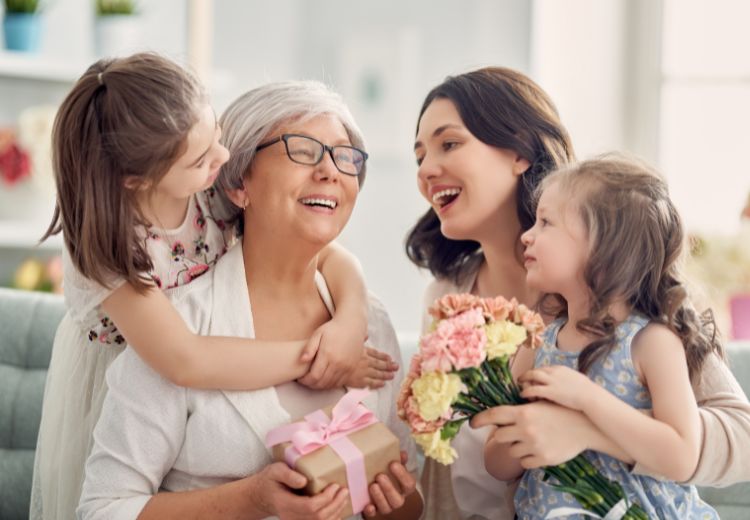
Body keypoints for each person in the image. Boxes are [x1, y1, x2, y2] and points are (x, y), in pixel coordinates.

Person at [32, 54, 396, 520]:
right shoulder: (109, 247)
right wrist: (316, 358)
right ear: (138, 179)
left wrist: (350, 322)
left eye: (219, 140)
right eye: (203, 158)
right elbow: (186, 359)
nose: (222, 161)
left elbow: (326, 248)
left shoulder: (203, 188)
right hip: (138, 357)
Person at [407, 66, 750, 519]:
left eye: (449, 144)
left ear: (519, 152)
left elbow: (741, 437)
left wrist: (584, 428)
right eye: (419, 156)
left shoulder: (626, 297)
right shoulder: (447, 296)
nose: (427, 170)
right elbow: (458, 471)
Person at [479, 155, 719, 518]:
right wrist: (519, 431)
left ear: (606, 248)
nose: (527, 235)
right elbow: (497, 466)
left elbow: (682, 457)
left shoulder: (651, 343)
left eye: (546, 222)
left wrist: (586, 401)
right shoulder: (539, 343)